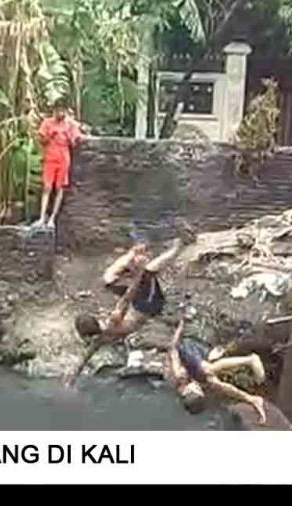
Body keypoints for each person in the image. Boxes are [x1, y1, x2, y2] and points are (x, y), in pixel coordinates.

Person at [65, 238, 183, 386]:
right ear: (94, 319)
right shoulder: (113, 321)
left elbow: (85, 357)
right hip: (151, 305)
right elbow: (129, 295)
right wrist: (139, 272)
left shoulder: (100, 338)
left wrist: (72, 378)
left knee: (109, 280)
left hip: (140, 306)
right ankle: (175, 250)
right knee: (148, 272)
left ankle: (133, 254)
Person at [167, 309, 269, 423]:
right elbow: (224, 388)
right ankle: (252, 398)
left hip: (187, 348)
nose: (198, 388)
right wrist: (249, 399)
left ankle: (250, 359)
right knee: (214, 383)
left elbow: (173, 349)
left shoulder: (179, 375)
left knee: (207, 371)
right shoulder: (195, 386)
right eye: (200, 390)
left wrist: (180, 327)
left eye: (197, 389)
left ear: (187, 391)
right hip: (202, 357)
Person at [36, 100, 82, 229]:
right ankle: (41, 217)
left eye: (62, 110)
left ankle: (52, 218)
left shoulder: (70, 125)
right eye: (58, 110)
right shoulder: (47, 123)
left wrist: (68, 135)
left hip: (63, 158)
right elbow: (41, 140)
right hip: (50, 157)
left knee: (60, 188)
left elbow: (75, 142)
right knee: (47, 187)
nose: (60, 113)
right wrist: (51, 135)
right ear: (54, 111)